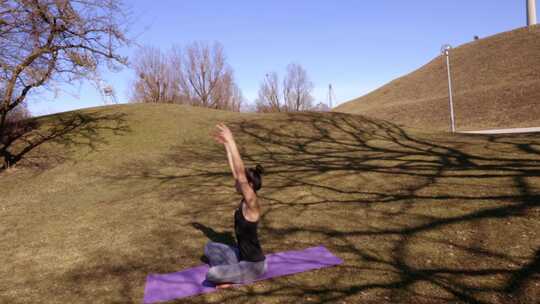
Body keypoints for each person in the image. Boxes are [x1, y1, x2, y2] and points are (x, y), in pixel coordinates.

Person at [204, 123, 267, 288]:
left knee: (212, 274)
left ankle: (229, 277)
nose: (237, 182)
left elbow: (240, 174)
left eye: (243, 181)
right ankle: (230, 272)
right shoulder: (245, 199)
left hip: (254, 266)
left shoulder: (252, 204)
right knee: (210, 246)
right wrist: (226, 145)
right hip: (241, 256)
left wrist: (232, 140)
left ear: (250, 186)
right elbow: (236, 171)